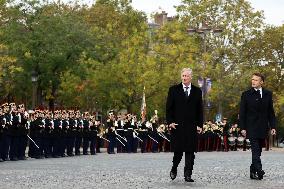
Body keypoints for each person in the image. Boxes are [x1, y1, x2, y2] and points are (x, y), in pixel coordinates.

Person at [166, 68, 203, 182]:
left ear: (191, 77)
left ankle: (188, 174)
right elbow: (169, 109)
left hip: (192, 126)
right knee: (178, 151)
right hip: (177, 126)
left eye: (186, 76)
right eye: (183, 75)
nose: (184, 78)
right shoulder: (173, 90)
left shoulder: (197, 91)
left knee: (190, 151)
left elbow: (199, 110)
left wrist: (200, 125)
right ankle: (174, 167)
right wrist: (170, 122)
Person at [239, 73, 276, 180]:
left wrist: (273, 127)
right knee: (255, 150)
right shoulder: (246, 94)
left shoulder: (268, 94)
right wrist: (243, 128)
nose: (253, 81)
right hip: (251, 127)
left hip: (263, 127)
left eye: (256, 80)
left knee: (258, 151)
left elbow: (271, 112)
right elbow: (242, 113)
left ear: (261, 82)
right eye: (252, 79)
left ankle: (252, 171)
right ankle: (259, 170)